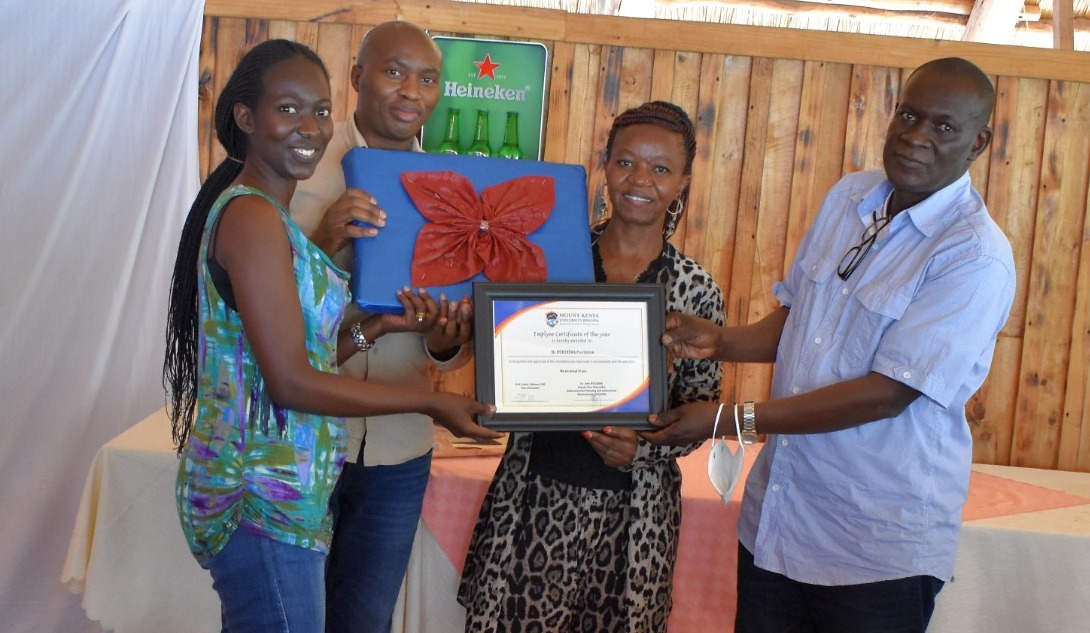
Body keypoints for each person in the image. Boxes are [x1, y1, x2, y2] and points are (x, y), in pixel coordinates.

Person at [644, 57, 1016, 633]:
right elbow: (801, 320)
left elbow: (885, 396)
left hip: (872, 547)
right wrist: (719, 341)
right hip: (782, 515)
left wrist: (728, 421)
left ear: (979, 142)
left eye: (945, 127)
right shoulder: (852, 197)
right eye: (909, 115)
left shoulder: (974, 256)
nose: (917, 137)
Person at [163, 39, 498, 632]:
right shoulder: (255, 217)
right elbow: (292, 382)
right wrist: (432, 400)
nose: (309, 127)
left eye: (319, 110)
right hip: (260, 492)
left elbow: (301, 349)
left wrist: (380, 327)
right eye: (288, 109)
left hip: (288, 489)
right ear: (246, 118)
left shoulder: (266, 210)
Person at [458, 101, 726, 632]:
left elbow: (703, 409)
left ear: (683, 182)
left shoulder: (697, 290)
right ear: (605, 163)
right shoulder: (549, 258)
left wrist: (643, 449)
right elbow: (502, 351)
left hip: (634, 523)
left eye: (660, 168)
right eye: (626, 162)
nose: (640, 180)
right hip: (532, 500)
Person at [289, 21, 472, 633]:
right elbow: (258, 316)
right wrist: (323, 241)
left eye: (427, 78)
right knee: (284, 616)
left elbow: (443, 352)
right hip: (303, 444)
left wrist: (447, 336)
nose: (410, 91)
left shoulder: (454, 195)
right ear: (357, 76)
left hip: (399, 451)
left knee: (363, 621)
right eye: (394, 71)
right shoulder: (297, 175)